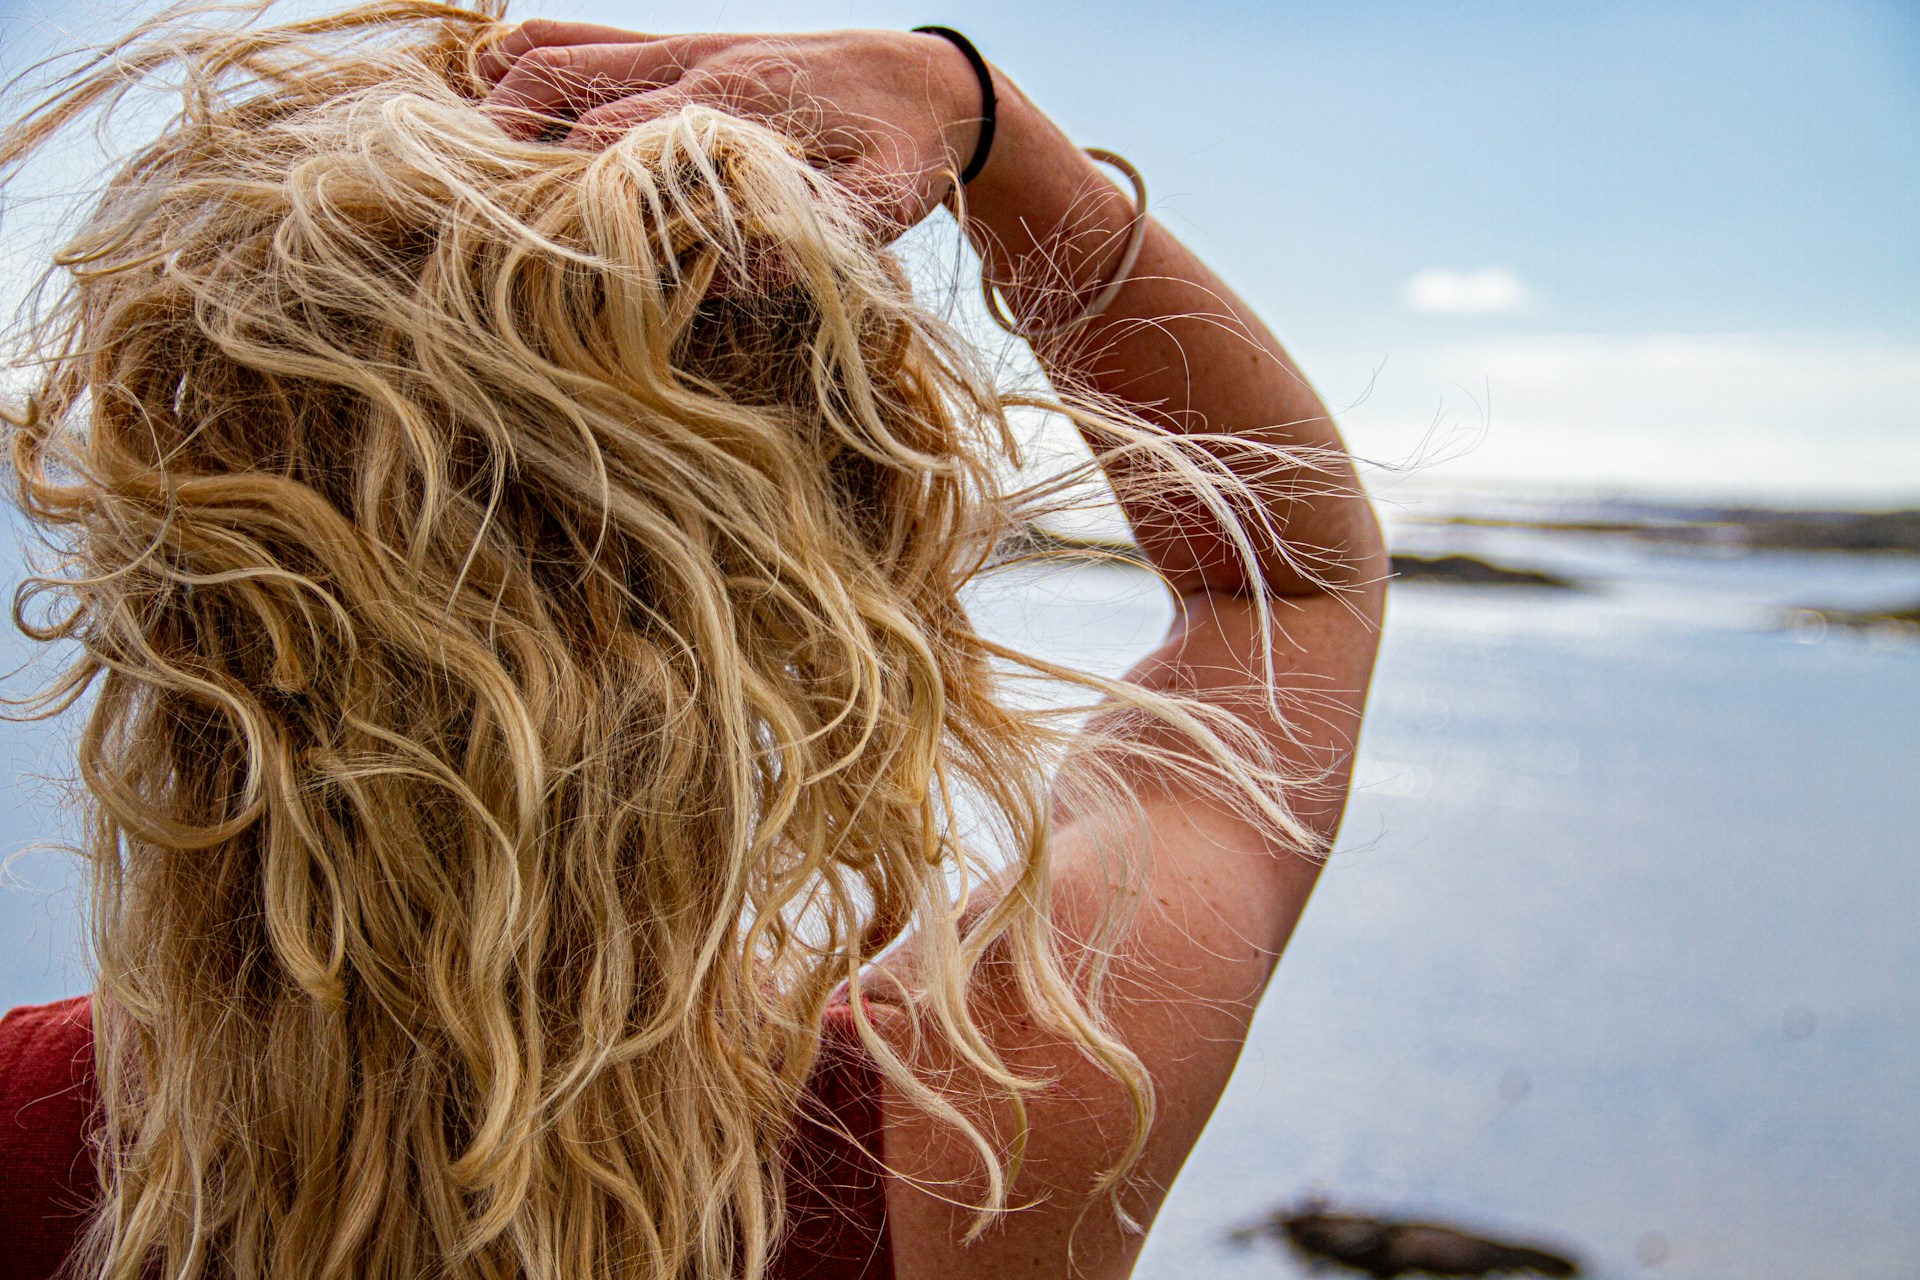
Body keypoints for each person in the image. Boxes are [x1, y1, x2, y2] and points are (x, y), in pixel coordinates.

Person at [0, 4, 1386, 1278]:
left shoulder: (26, 1127)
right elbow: (1285, 584)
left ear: (176, 604)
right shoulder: (971, 1138)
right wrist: (988, 130)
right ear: (804, 639)